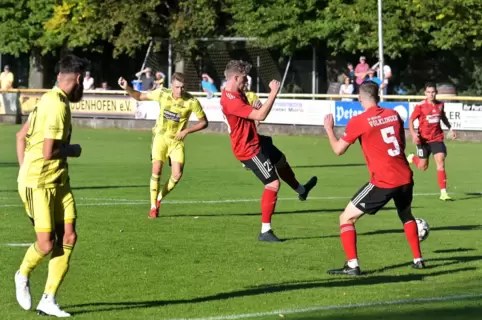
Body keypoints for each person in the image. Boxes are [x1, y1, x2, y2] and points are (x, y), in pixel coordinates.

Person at [323, 82, 424, 275]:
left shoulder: (359, 120)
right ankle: (418, 259)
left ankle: (352, 265)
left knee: (346, 218)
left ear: (360, 98)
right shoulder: (393, 115)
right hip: (404, 177)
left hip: (383, 181)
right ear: (378, 96)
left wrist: (329, 129)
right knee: (406, 215)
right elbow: (400, 145)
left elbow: (338, 150)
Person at [14, 54, 86, 317]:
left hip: (59, 181)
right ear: (78, 79)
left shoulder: (49, 98)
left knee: (68, 236)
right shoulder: (56, 106)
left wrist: (23, 169)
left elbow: (20, 136)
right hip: (40, 184)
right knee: (46, 244)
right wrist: (72, 150)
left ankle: (49, 298)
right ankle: (22, 274)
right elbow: (48, 152)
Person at [221, 60, 318, 242]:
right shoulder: (231, 100)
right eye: (244, 79)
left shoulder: (236, 94)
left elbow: (252, 119)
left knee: (281, 160)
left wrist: (255, 113)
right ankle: (265, 231)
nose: (246, 82)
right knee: (273, 184)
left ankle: (301, 190)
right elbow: (261, 116)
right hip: (248, 149)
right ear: (235, 77)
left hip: (256, 140)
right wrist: (273, 93)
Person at [118, 72, 208, 218]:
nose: (180, 90)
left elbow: (204, 122)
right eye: (177, 87)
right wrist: (127, 87)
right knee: (157, 169)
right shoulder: (162, 93)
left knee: (177, 175)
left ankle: (159, 197)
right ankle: (153, 207)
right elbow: (140, 96)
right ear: (172, 85)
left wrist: (186, 131)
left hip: (176, 142)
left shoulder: (192, 101)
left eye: (183, 87)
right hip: (161, 137)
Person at [407, 82, 456, 201]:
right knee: (423, 167)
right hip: (423, 140)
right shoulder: (420, 106)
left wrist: (450, 128)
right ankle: (413, 158)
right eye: (428, 92)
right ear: (425, 93)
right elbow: (411, 120)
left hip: (437, 138)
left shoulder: (440, 105)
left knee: (440, 162)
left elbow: (443, 117)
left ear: (436, 93)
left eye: (433, 92)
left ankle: (443, 193)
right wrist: (413, 134)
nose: (431, 94)